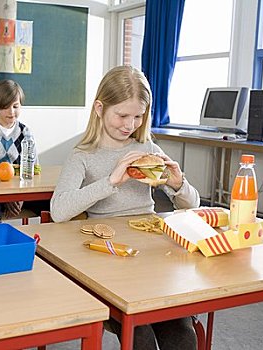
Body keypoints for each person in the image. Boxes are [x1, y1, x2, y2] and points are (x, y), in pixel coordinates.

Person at [50, 65, 200, 350]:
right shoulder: (83, 155)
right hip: (108, 260)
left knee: (182, 332)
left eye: (137, 116)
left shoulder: (149, 149)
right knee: (139, 335)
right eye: (122, 115)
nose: (130, 125)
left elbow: (193, 205)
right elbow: (59, 210)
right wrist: (111, 181)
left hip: (152, 257)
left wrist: (179, 184)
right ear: (99, 108)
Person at [0, 79, 49, 224]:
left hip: (19, 192)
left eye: (15, 106)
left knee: (52, 204)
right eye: (5, 107)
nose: (11, 112)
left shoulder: (25, 132)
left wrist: (20, 196)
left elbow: (34, 169)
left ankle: (46, 243)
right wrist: (4, 195)